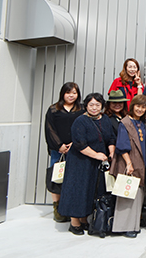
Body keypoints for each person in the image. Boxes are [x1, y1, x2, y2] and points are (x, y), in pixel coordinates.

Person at [58, 93, 116, 235]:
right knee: (78, 191)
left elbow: (111, 138)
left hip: (97, 163)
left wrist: (111, 151)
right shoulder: (80, 121)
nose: (94, 108)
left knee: (91, 191)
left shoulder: (106, 119)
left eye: (97, 105)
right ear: (86, 105)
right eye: (91, 105)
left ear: (102, 106)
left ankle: (84, 220)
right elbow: (79, 143)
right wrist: (97, 155)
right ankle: (74, 223)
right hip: (80, 162)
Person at [110, 94, 146, 238]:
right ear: (132, 106)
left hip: (141, 163)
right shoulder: (125, 122)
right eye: (138, 106)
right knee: (126, 196)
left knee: (138, 196)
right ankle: (123, 227)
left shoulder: (144, 123)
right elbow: (122, 145)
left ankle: (133, 226)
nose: (140, 109)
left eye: (143, 107)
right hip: (129, 163)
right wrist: (128, 163)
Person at [44, 82, 84, 222]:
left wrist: (74, 143)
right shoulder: (54, 109)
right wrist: (59, 145)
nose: (71, 95)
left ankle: (70, 207)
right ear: (63, 93)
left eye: (74, 92)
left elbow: (83, 128)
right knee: (57, 177)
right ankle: (57, 208)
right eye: (68, 92)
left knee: (73, 178)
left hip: (76, 149)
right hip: (58, 150)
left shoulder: (81, 109)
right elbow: (50, 129)